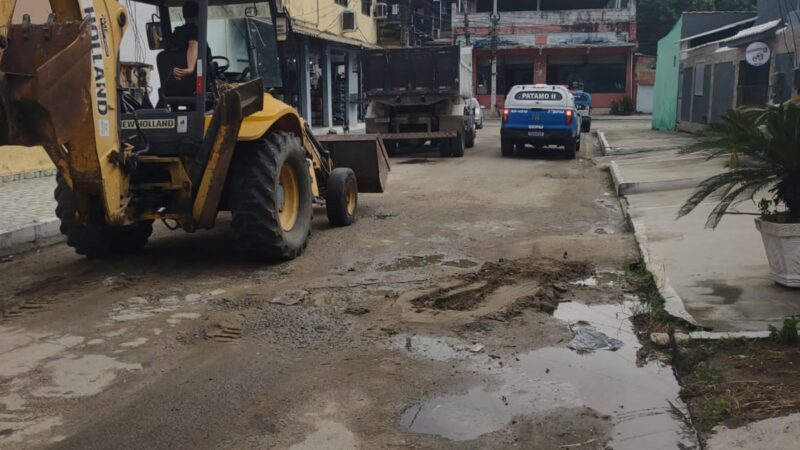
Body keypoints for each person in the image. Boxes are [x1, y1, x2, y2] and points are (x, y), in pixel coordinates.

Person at [171, 1, 199, 80]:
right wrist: (190, 68)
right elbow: (192, 46)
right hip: (197, 81)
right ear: (198, 15)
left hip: (177, 83)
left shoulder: (176, 33)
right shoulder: (194, 30)